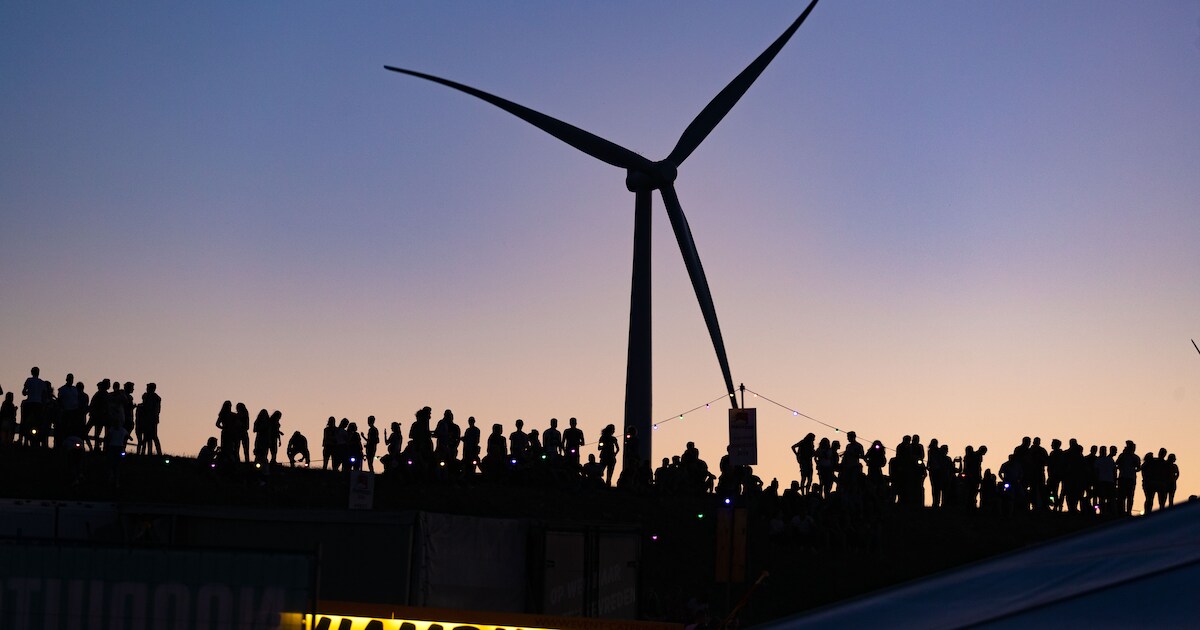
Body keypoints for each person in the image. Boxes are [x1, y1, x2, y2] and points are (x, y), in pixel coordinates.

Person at [139, 383, 162, 456]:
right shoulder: (150, 397)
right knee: (147, 436)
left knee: (152, 436)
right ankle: (148, 452)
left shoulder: (154, 398)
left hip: (151, 419)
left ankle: (156, 452)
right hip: (149, 419)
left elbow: (153, 410)